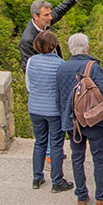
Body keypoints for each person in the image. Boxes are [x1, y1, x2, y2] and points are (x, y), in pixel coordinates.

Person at [58, 32, 103, 205]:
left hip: (71, 121)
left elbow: (59, 97)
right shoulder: (93, 67)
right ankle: (101, 196)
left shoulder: (61, 68)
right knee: (99, 157)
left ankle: (81, 195)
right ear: (87, 48)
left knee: (77, 157)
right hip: (92, 119)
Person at [24, 29, 67, 192]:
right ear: (54, 45)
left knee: (39, 142)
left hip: (35, 107)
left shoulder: (31, 61)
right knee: (56, 144)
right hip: (54, 110)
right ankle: (57, 181)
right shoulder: (60, 64)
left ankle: (37, 177)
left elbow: (29, 85)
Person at [18, 0, 84, 70]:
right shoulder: (28, 40)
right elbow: (28, 67)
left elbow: (59, 11)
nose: (50, 17)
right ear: (35, 16)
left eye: (50, 14)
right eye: (46, 15)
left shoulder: (44, 23)